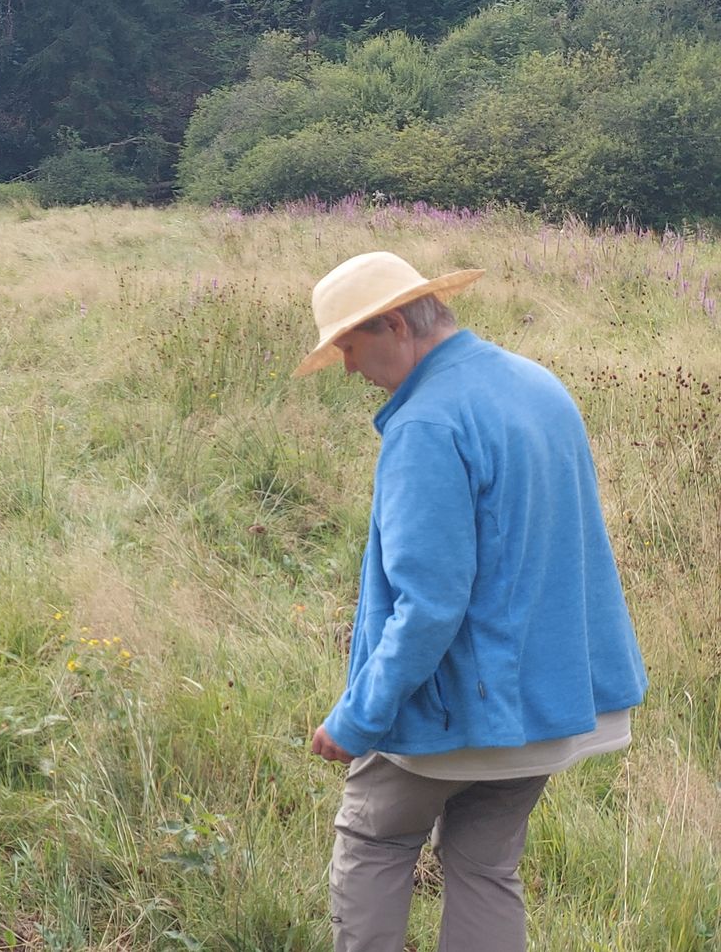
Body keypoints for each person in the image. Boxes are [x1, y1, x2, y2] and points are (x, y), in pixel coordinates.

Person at [293, 252, 647, 952]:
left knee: (374, 839)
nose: (348, 368)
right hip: (546, 709)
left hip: (451, 714)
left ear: (395, 325)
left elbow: (429, 604)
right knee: (486, 868)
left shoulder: (425, 423)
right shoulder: (539, 385)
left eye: (350, 346)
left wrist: (359, 717)